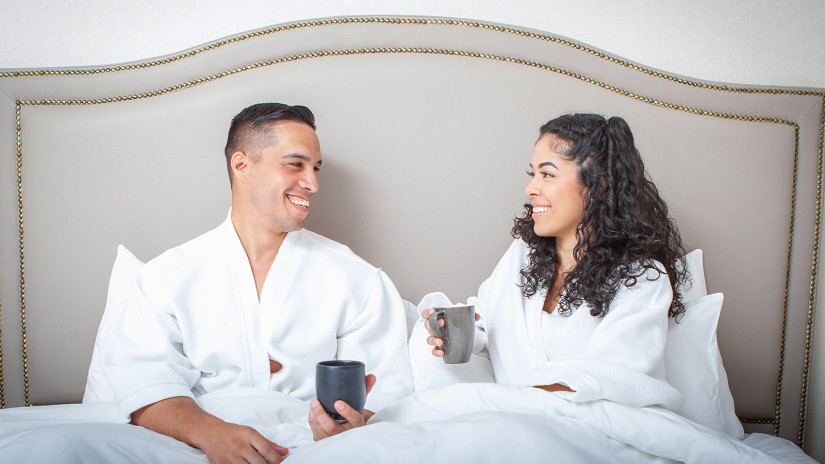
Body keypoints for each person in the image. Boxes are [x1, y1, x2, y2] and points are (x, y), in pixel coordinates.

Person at [95, 103, 414, 463]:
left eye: (315, 168)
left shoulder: (358, 280)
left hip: (315, 450)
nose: (313, 183)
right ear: (242, 165)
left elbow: (385, 392)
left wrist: (345, 428)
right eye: (296, 164)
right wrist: (211, 433)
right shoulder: (166, 277)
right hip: (186, 443)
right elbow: (145, 386)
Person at [423, 113, 688, 409]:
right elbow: (488, 324)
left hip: (589, 428)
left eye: (547, 174)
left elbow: (611, 377)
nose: (531, 189)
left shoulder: (642, 278)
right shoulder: (523, 255)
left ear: (599, 184)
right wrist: (455, 334)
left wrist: (508, 403)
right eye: (532, 175)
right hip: (513, 421)